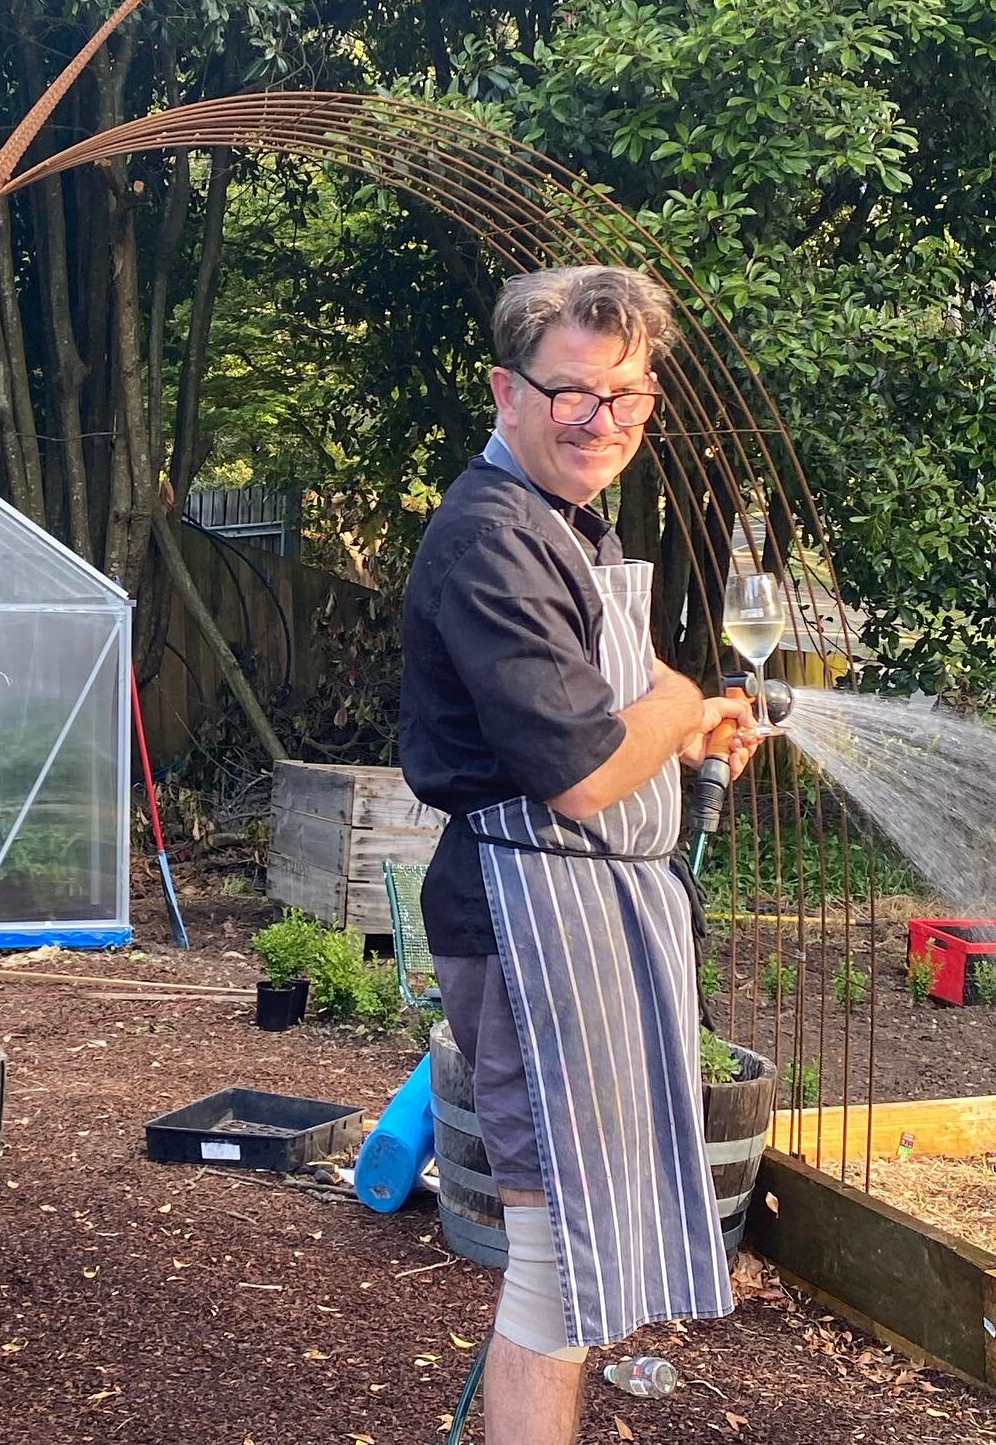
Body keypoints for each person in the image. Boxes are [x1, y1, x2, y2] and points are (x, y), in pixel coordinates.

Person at [400, 265, 758, 1445]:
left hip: (593, 919)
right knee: (555, 1258)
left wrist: (694, 723)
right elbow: (587, 767)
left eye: (630, 397)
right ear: (507, 391)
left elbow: (638, 688)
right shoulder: (489, 541)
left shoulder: (568, 521)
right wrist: (683, 707)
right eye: (574, 394)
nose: (604, 422)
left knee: (580, 1251)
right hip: (527, 924)